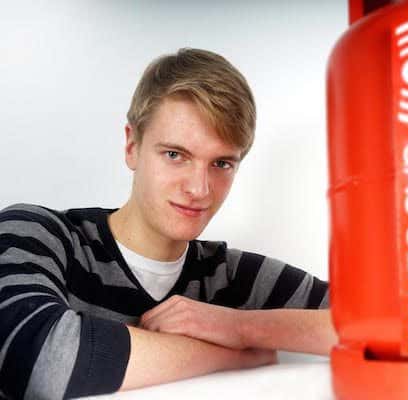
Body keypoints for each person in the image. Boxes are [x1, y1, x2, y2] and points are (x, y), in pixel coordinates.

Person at [0, 48, 335, 400]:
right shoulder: (35, 234)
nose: (199, 189)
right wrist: (234, 357)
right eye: (175, 155)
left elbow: (375, 323)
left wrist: (239, 327)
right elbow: (41, 364)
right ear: (132, 146)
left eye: (221, 163)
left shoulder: (234, 277)